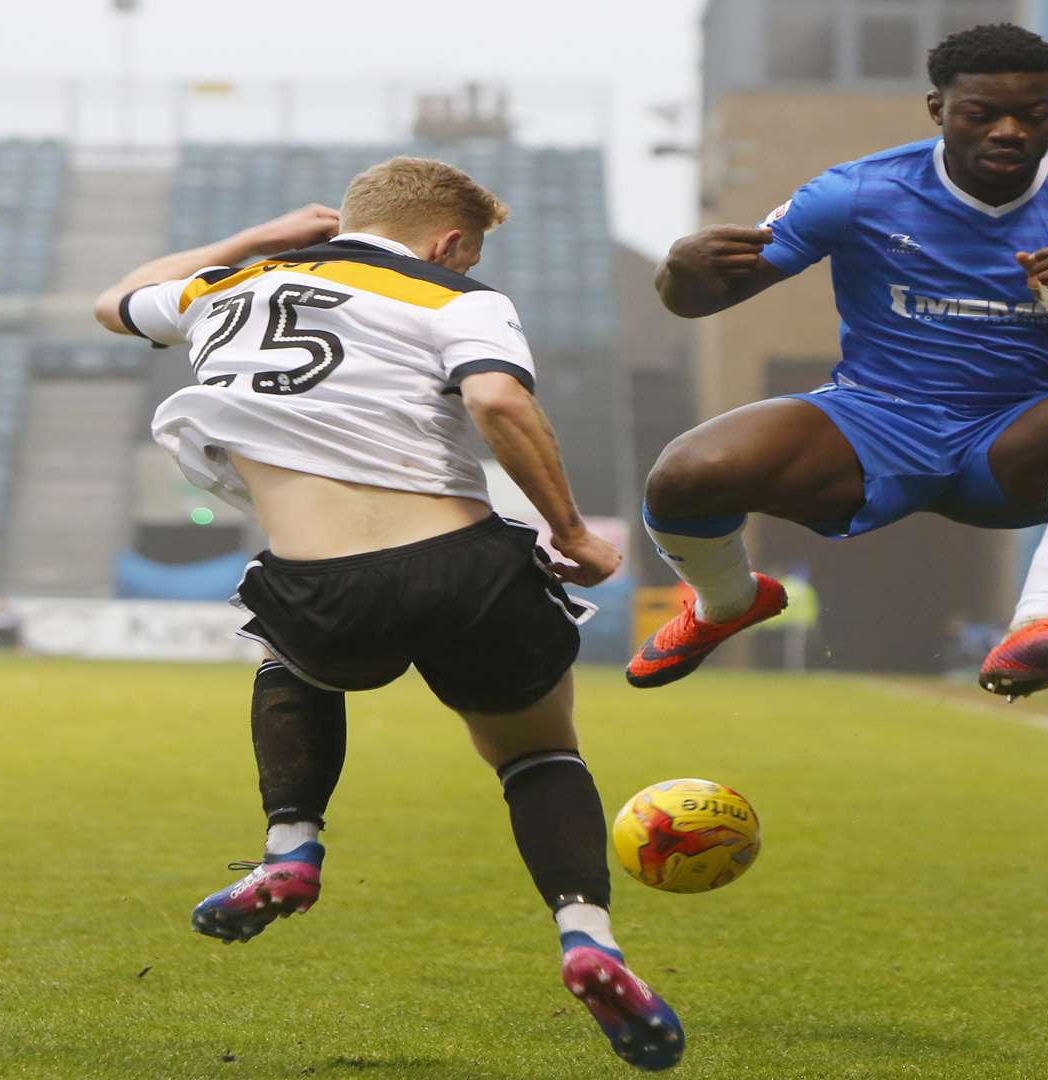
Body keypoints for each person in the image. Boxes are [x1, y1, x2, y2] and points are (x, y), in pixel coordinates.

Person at [91, 160, 682, 1071]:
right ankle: (588, 938)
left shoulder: (229, 287)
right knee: (536, 753)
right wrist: (570, 529)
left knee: (287, 653)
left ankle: (291, 847)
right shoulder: (459, 294)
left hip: (323, 582)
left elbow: (116, 300)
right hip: (466, 569)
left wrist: (257, 238)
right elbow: (494, 399)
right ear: (450, 243)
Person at [632, 23, 1048, 700]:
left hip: (1011, 443)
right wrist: (678, 272)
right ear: (938, 109)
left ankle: (1035, 627)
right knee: (685, 475)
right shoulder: (856, 192)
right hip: (873, 422)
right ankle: (726, 604)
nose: (1010, 131)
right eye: (983, 114)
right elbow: (701, 301)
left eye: (1034, 116)